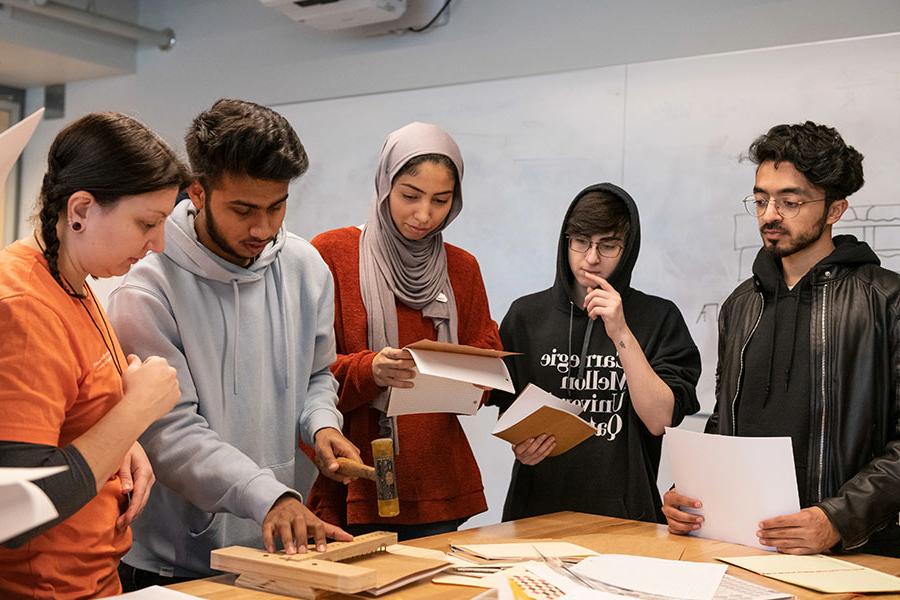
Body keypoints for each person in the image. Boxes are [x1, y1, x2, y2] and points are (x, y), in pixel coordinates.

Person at [107, 99, 360, 588]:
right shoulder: (146, 289)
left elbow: (316, 377)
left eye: (277, 206)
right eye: (243, 210)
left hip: (277, 546)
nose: (263, 229)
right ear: (198, 193)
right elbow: (171, 434)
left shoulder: (306, 268)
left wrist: (321, 424)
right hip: (174, 563)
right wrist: (268, 495)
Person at [663, 121, 900, 556]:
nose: (770, 214)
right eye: (760, 199)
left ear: (834, 210)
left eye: (789, 201)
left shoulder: (886, 300)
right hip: (740, 545)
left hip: (856, 554)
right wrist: (687, 492)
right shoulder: (741, 305)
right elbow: (725, 423)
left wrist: (837, 519)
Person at [0, 112, 188, 598]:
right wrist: (134, 413)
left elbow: (69, 423)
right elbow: (18, 507)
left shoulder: (75, 285)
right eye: (147, 223)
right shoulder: (25, 307)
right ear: (81, 208)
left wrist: (123, 439)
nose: (157, 243)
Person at [305, 122, 501, 540]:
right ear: (384, 185)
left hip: (437, 481)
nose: (424, 214)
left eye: (441, 200)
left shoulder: (462, 269)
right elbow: (302, 375)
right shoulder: (331, 253)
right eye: (410, 196)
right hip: (355, 474)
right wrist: (369, 370)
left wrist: (474, 376)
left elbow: (485, 371)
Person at [488, 183, 701, 523]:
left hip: (627, 519)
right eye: (581, 242)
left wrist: (620, 331)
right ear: (566, 242)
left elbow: (659, 420)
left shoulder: (659, 318)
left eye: (608, 246)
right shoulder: (526, 316)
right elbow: (505, 413)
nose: (591, 258)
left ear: (628, 249)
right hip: (535, 516)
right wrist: (521, 446)